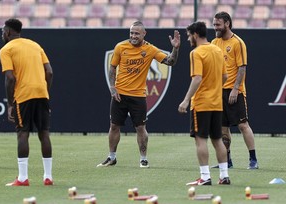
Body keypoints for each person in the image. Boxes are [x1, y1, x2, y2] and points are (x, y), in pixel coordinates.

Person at [97, 21, 180, 168]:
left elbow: (170, 61)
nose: (133, 36)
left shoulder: (150, 49)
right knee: (114, 126)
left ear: (144, 34)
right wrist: (112, 87)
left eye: (136, 33)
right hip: (119, 95)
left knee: (140, 128)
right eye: (131, 33)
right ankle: (112, 157)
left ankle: (143, 159)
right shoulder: (120, 47)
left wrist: (175, 48)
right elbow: (112, 68)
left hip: (138, 96)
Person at [0, 18, 54, 186]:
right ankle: (48, 177)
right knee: (44, 133)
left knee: (23, 133)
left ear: (8, 32)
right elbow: (50, 72)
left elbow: (9, 78)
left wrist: (10, 104)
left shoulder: (6, 49)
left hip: (24, 95)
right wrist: (45, 93)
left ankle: (22, 178)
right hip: (41, 93)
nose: (2, 33)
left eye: (3, 31)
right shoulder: (35, 45)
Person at [178, 21, 230, 185]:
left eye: (188, 36)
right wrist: (214, 88)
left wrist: (186, 100)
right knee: (217, 140)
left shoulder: (196, 53)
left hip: (201, 103)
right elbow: (225, 77)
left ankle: (205, 177)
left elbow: (197, 78)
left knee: (200, 139)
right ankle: (224, 176)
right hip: (217, 103)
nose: (188, 39)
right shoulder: (217, 49)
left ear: (194, 35)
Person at [211, 11, 258, 169]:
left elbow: (242, 68)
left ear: (227, 24)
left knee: (243, 125)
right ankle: (227, 161)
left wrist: (235, 89)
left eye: (218, 24)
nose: (215, 27)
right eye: (214, 24)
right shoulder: (214, 43)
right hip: (219, 92)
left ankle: (253, 160)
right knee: (223, 128)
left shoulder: (238, 42)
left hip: (235, 91)